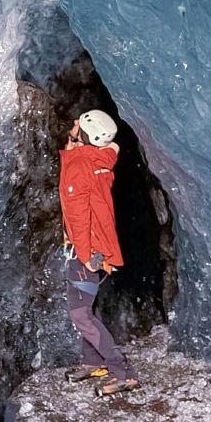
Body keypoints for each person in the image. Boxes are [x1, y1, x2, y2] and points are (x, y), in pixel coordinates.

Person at [59, 109, 137, 395]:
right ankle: (93, 362)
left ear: (88, 136)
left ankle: (122, 372)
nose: (74, 123)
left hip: (87, 250)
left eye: (79, 123)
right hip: (98, 246)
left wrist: (86, 255)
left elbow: (79, 216)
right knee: (84, 309)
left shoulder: (79, 166)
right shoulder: (101, 158)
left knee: (80, 314)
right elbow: (106, 150)